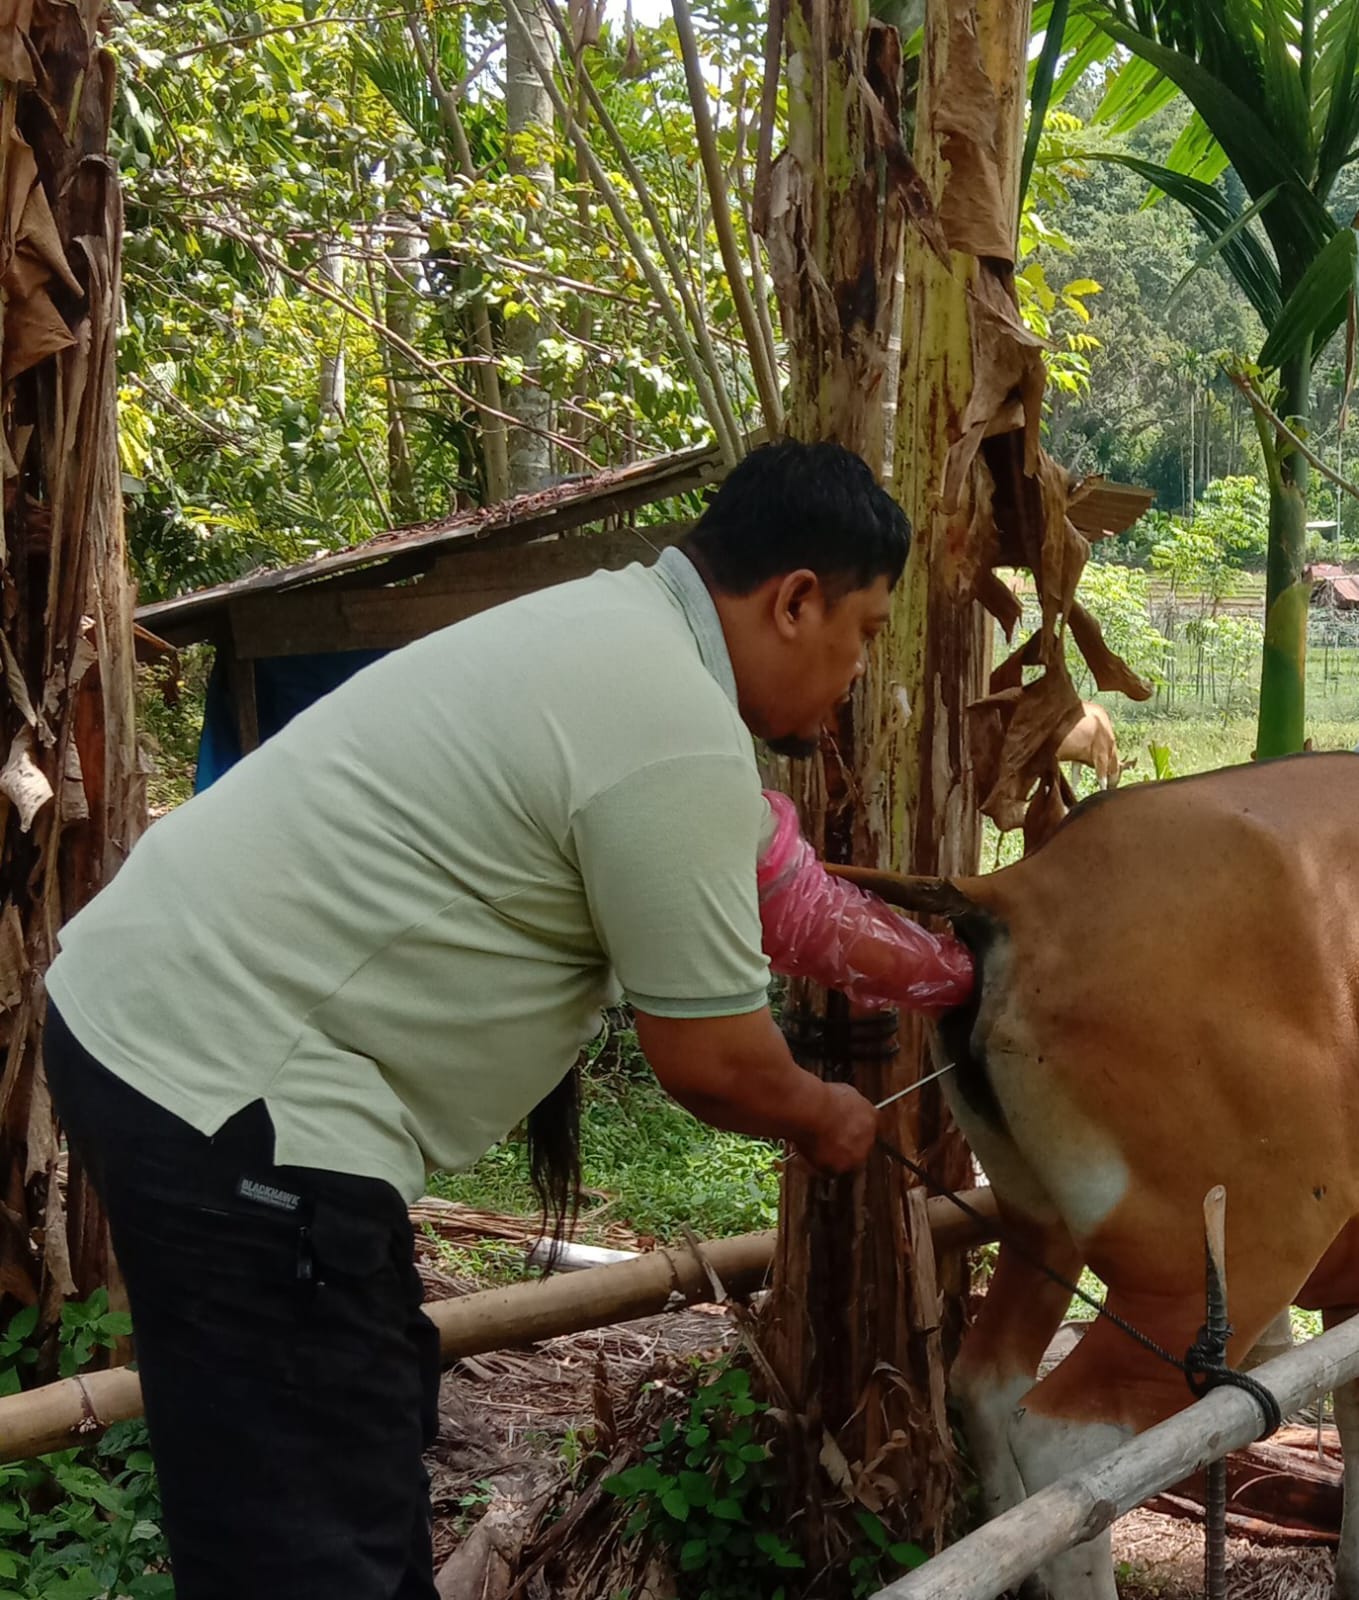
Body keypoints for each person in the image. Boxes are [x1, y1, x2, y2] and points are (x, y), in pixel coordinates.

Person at [43, 438, 971, 1599]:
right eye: (865, 633)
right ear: (794, 601)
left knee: (317, 1451)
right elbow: (717, 1061)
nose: (857, 675)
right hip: (241, 1094)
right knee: (313, 1536)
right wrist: (829, 1112)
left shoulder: (610, 628)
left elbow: (772, 882)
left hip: (160, 1033)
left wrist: (936, 966)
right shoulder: (674, 730)